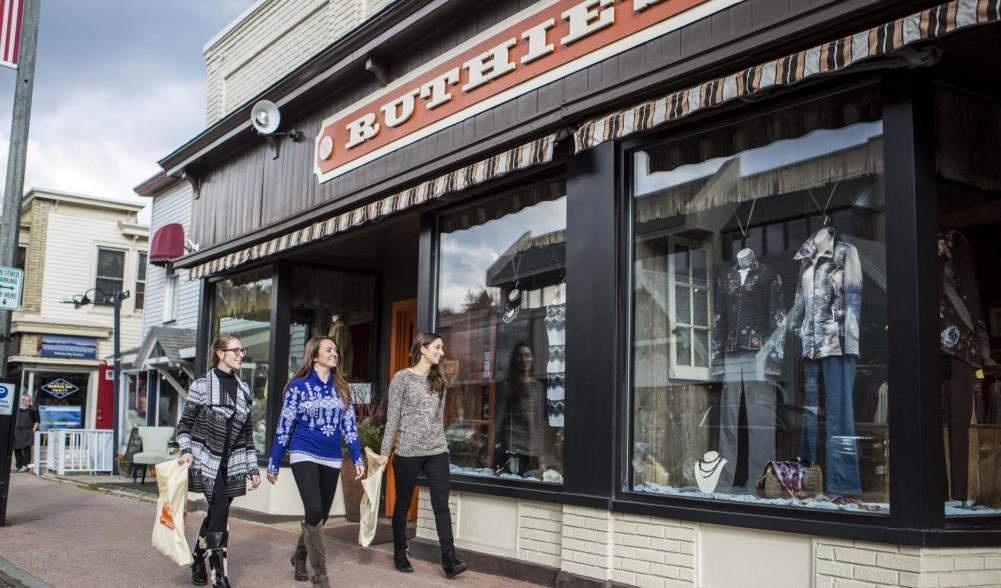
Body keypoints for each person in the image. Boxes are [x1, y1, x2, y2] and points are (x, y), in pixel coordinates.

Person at [267, 336, 365, 587]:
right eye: (328, 349)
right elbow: (285, 425)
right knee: (313, 509)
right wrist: (274, 461)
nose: (334, 353)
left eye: (335, 349)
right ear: (314, 356)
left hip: (332, 457)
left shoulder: (342, 388)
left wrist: (356, 457)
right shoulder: (297, 387)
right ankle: (320, 575)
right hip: (304, 451)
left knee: (320, 516)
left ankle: (299, 556)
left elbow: (350, 427)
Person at [377, 332, 467, 578]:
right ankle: (399, 552)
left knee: (441, 504)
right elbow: (392, 418)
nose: (441, 352)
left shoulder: (440, 382)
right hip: (408, 451)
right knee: (402, 505)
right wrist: (386, 452)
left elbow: (438, 420)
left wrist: (442, 443)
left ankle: (449, 559)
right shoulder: (402, 378)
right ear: (423, 349)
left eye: (442, 348)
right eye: (437, 347)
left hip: (437, 450)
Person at [177, 334, 262, 588]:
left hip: (233, 463)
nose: (241, 355)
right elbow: (185, 425)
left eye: (242, 350)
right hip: (207, 461)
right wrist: (185, 450)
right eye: (235, 350)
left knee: (216, 513)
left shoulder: (244, 389)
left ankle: (196, 558)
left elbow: (247, 434)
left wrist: (252, 467)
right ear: (220, 354)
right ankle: (218, 575)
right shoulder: (202, 385)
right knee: (221, 511)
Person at [494, 342, 548, 478]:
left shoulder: (537, 387)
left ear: (533, 358)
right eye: (520, 356)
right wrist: (491, 450)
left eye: (527, 355)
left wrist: (541, 455)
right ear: (514, 360)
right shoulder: (508, 385)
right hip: (512, 449)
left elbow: (538, 422)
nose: (524, 359)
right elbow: (499, 420)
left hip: (531, 451)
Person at [13, 394, 39, 472]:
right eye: (27, 401)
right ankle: (19, 465)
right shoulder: (17, 410)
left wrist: (33, 430)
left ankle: (25, 466)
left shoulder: (33, 409)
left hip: (28, 431)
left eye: (29, 401)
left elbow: (37, 421)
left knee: (26, 449)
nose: (28, 402)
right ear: (22, 401)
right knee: (16, 449)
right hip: (17, 431)